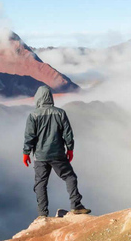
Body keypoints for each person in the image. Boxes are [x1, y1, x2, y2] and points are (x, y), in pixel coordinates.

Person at [23, 85, 91, 217]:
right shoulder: (60, 113)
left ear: (38, 98)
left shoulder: (33, 115)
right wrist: (70, 149)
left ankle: (42, 214)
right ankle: (76, 205)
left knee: (40, 184)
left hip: (40, 156)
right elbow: (68, 134)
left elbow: (29, 136)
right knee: (70, 177)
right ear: (50, 97)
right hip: (58, 154)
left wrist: (26, 153)